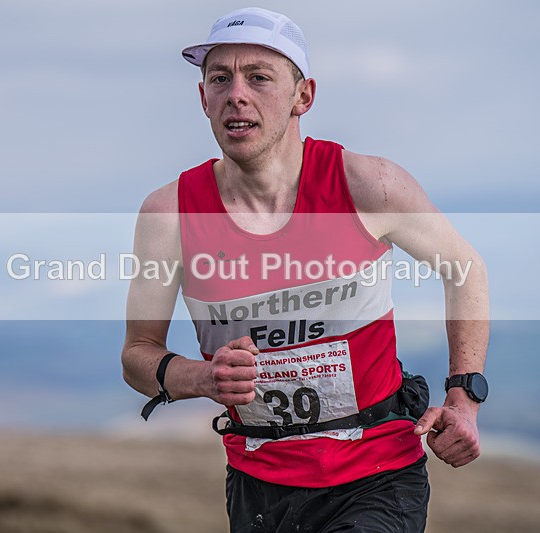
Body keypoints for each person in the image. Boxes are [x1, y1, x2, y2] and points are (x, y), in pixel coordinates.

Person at [121, 7, 489, 532]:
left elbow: (465, 269)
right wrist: (202, 377)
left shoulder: (370, 185)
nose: (236, 94)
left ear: (303, 96)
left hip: (377, 474)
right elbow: (137, 357)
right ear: (203, 98)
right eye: (219, 79)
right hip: (259, 486)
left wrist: (465, 393)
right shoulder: (170, 215)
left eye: (259, 77)